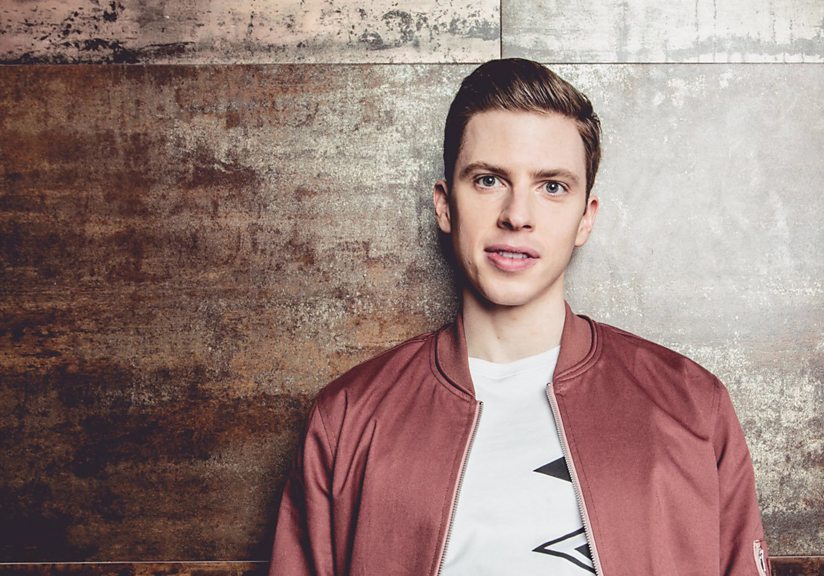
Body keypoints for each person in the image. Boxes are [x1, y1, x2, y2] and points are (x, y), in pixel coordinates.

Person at [268, 58, 770, 576]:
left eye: (552, 187)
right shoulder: (349, 417)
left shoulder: (692, 405)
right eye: (488, 180)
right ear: (445, 205)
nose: (517, 215)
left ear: (586, 219)